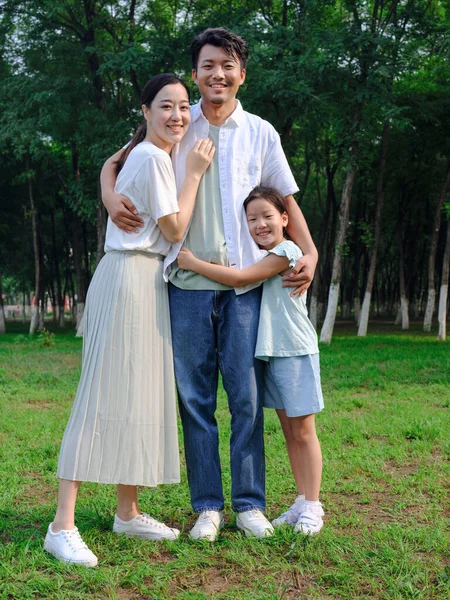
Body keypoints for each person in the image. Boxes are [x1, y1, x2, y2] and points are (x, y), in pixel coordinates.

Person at [101, 28, 318, 541]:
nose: (216, 75)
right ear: (195, 72)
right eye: (207, 66)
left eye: (227, 65)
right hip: (184, 285)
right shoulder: (175, 121)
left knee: (244, 398)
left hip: (244, 290)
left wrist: (309, 251)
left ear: (241, 73)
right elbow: (116, 161)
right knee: (194, 400)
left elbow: (285, 201)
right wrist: (109, 196)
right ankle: (207, 507)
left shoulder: (261, 132)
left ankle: (248, 504)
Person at [44, 73, 215, 567]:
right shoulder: (155, 157)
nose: (178, 115)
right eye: (166, 106)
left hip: (146, 281)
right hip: (127, 276)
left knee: (141, 392)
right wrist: (196, 173)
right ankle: (62, 524)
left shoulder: (145, 150)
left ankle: (128, 510)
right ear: (144, 111)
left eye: (184, 106)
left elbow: (110, 162)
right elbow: (175, 226)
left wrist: (106, 188)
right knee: (100, 392)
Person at [177, 186, 325, 535]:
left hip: (294, 350)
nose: (260, 224)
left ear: (285, 219)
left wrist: (193, 263)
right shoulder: (266, 254)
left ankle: (314, 506)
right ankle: (301, 500)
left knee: (304, 431)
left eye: (267, 216)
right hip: (272, 353)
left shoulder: (288, 251)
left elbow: (241, 279)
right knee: (290, 431)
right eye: (251, 219)